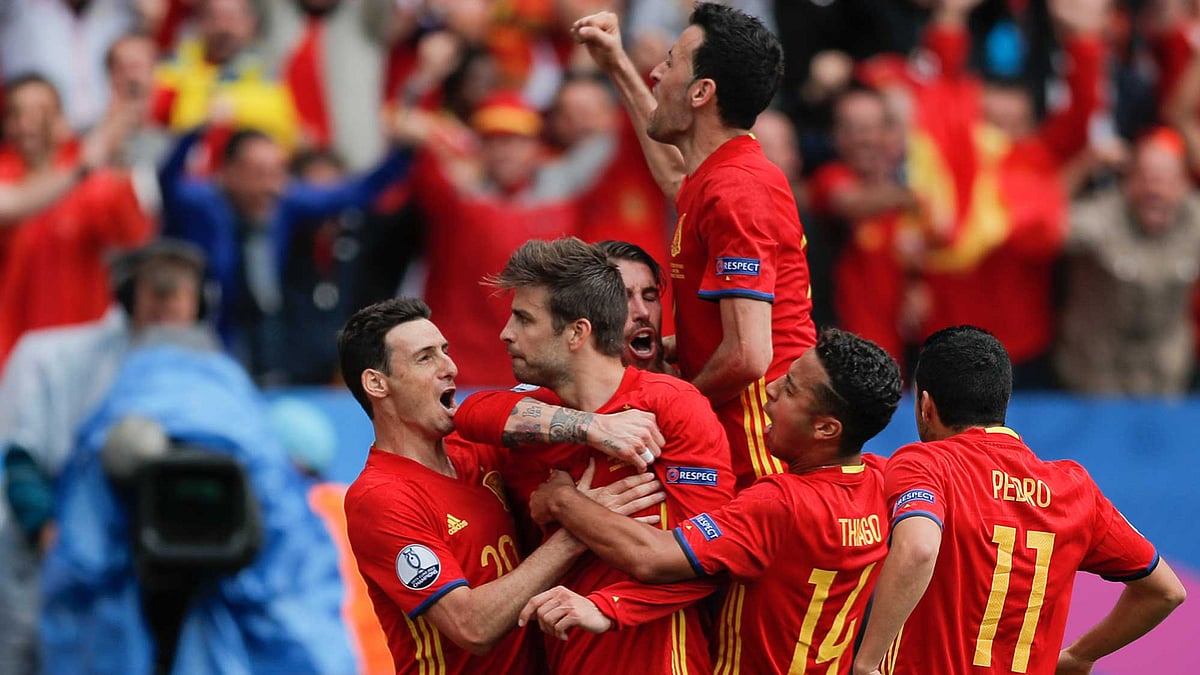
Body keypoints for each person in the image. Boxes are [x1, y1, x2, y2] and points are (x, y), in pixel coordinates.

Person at [517, 328, 902, 675]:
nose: (769, 389)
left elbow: (654, 557)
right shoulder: (880, 480)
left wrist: (563, 500)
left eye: (790, 390)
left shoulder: (780, 503)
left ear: (826, 428)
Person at [451, 237, 735, 673]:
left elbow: (709, 560)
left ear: (577, 333)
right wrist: (591, 426)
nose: (506, 333)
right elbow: (470, 412)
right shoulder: (537, 420)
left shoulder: (671, 407)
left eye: (524, 319)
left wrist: (605, 602)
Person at [338, 297, 664, 674]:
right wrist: (582, 526)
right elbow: (472, 627)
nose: (450, 367)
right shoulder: (381, 497)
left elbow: (547, 392)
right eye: (425, 358)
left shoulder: (478, 450)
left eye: (445, 351)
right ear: (377, 383)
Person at [573, 5, 817, 491]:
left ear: (702, 92)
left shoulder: (737, 189)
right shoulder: (717, 179)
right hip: (739, 430)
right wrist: (617, 62)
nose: (657, 72)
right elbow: (671, 174)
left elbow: (748, 355)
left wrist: (667, 401)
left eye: (670, 61)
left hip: (759, 442)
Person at [852, 326, 1187, 675]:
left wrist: (866, 662)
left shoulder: (927, 464)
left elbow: (919, 550)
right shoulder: (1073, 488)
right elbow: (1165, 592)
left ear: (925, 406)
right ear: (1002, 401)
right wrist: (1080, 655)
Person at [0, 239, 206, 675]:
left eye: (179, 295)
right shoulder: (58, 359)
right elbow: (21, 459)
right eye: (155, 293)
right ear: (130, 297)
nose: (166, 308)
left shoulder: (212, 375)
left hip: (169, 567)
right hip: (66, 564)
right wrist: (47, 533)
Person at [1055, 130, 1200, 395]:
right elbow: (1041, 222)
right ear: (1126, 182)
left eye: (1166, 181)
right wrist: (1084, 165)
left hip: (1166, 379)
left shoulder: (1195, 222)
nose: (1154, 190)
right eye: (1144, 178)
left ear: (1184, 185)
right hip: (1093, 378)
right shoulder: (1098, 219)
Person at [596, 239, 668, 373]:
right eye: (623, 298)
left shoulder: (681, 386)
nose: (644, 312)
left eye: (649, 298)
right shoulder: (554, 392)